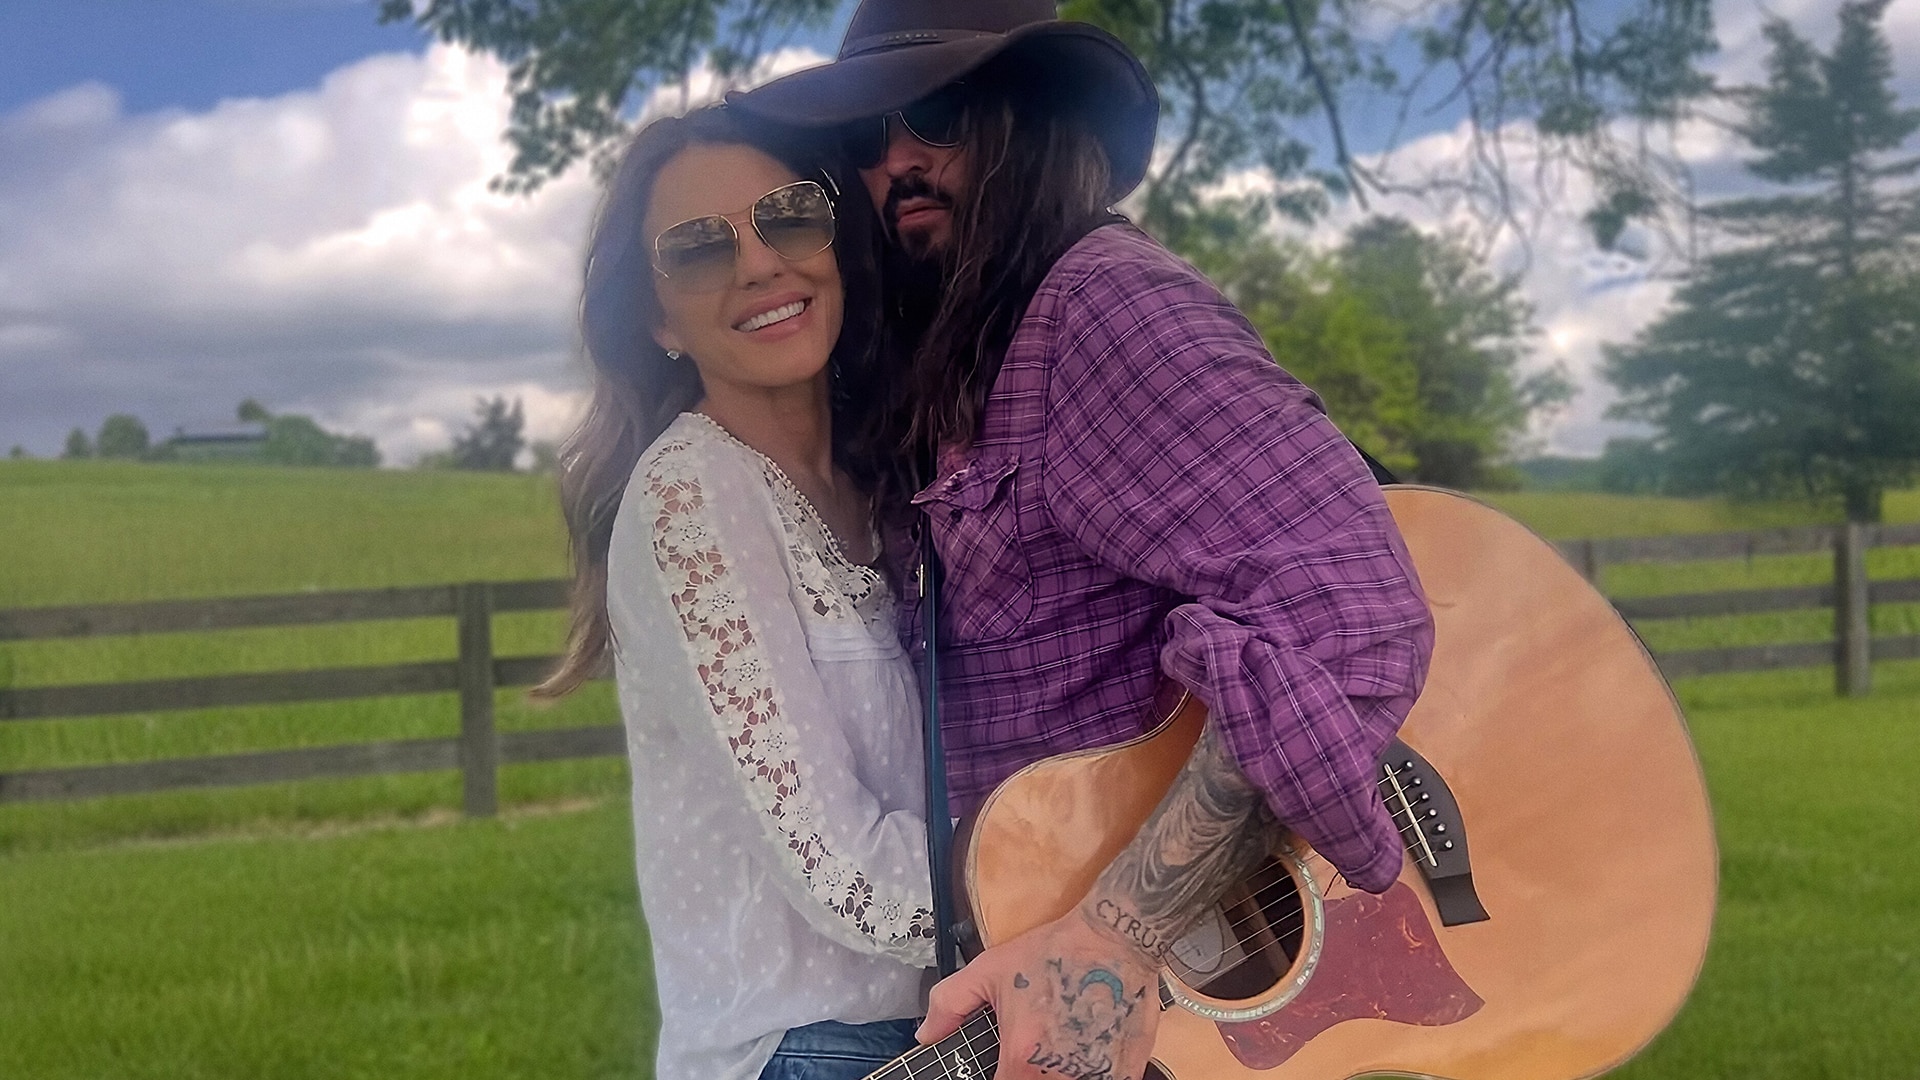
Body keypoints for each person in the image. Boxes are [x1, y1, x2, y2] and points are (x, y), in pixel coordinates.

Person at [733, 3, 1438, 1079]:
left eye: (934, 114)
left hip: (1154, 971)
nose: (898, 162)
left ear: (1035, 121)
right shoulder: (970, 361)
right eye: (867, 138)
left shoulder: (1102, 306)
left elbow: (1348, 616)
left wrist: (1118, 933)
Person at [535, 104, 938, 1080]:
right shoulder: (691, 503)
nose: (761, 264)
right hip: (806, 1050)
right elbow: (844, 876)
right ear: (659, 319)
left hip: (939, 1023)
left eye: (790, 216)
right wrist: (1112, 892)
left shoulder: (889, 474)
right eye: (700, 248)